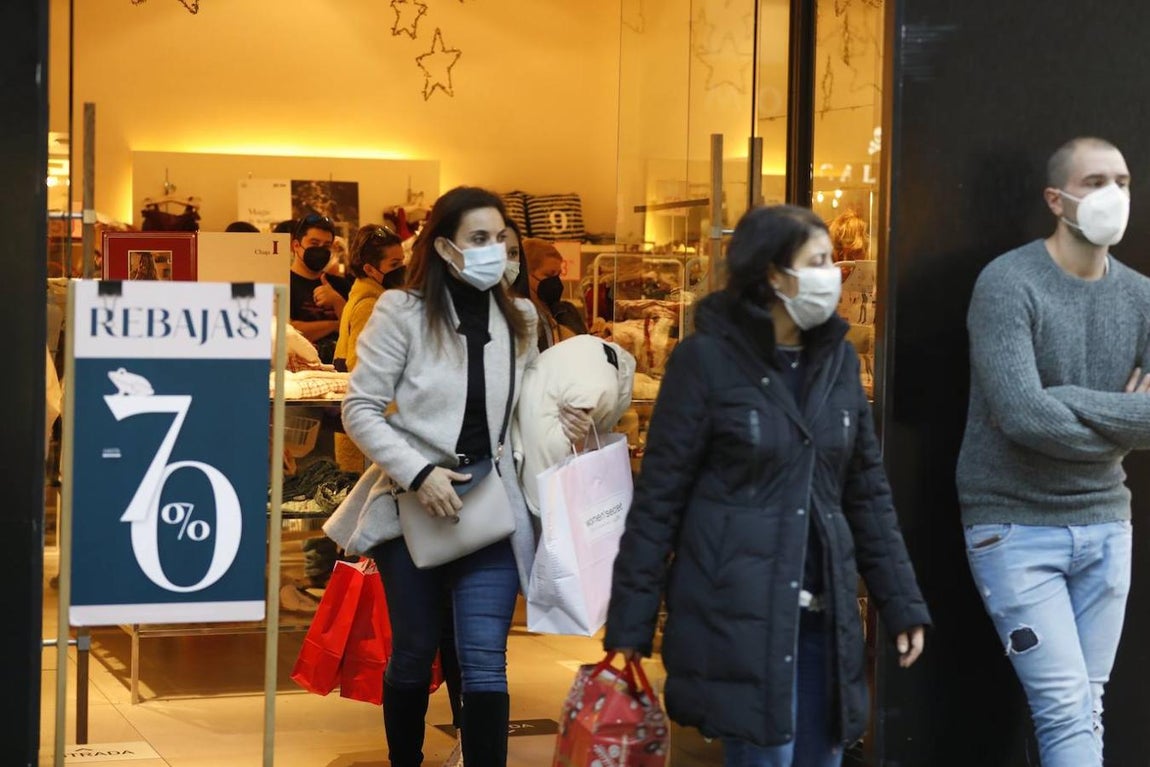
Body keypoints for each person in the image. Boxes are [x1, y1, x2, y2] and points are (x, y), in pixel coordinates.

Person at [604, 204, 930, 767]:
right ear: (773, 274)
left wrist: (900, 602)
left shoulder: (837, 363)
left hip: (825, 620)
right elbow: (659, 501)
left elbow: (867, 494)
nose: (833, 274)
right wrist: (630, 624)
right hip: (739, 616)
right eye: (818, 262)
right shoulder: (706, 362)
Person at [323, 186, 591, 767]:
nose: (494, 251)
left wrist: (566, 418)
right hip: (411, 507)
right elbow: (360, 409)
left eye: (501, 239)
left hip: (492, 504)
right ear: (445, 247)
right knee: (415, 652)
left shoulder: (520, 318)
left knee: (485, 660)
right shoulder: (401, 312)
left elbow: (528, 407)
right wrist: (420, 474)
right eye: (478, 239)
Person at [958, 137, 1150, 767]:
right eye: (1094, 181)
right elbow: (1021, 416)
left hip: (1106, 524)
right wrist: (1122, 419)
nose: (1113, 195)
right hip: (1015, 525)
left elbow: (1045, 411)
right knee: (1067, 705)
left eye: (1122, 181)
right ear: (1055, 199)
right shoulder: (1008, 283)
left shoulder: (1143, 296)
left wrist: (1066, 399)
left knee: (1086, 703)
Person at [289, 213, 351, 364]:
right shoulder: (283, 284)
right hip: (301, 371)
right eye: (314, 243)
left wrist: (337, 301)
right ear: (296, 245)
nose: (320, 250)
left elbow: (354, 329)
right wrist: (335, 325)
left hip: (339, 369)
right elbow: (289, 332)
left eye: (326, 246)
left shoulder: (340, 285)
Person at [522, 238, 588, 346]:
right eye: (549, 275)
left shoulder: (564, 310)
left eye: (558, 275)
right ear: (525, 274)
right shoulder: (520, 315)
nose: (555, 282)